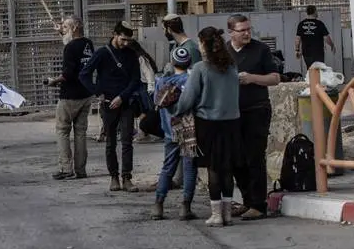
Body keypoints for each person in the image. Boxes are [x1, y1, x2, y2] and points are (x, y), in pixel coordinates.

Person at [175, 28, 243, 227]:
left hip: (208, 124)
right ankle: (228, 214)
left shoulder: (200, 68)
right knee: (227, 168)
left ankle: (216, 215)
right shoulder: (232, 66)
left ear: (203, 44)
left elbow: (188, 98)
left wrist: (177, 110)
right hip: (232, 123)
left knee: (213, 169)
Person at [226, 15, 280, 221]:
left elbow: (275, 78)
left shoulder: (261, 50)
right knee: (236, 159)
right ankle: (247, 200)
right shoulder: (224, 52)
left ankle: (258, 205)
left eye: (248, 29)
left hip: (256, 110)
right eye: (242, 30)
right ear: (231, 32)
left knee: (254, 157)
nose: (247, 33)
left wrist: (251, 78)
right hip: (231, 113)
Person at [79, 22, 142, 193]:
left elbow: (135, 80)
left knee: (127, 141)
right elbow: (84, 74)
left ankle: (127, 177)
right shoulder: (102, 53)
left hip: (126, 102)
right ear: (114, 34)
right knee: (110, 142)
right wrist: (97, 92)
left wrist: (122, 97)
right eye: (123, 39)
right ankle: (114, 177)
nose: (125, 43)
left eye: (128, 40)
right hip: (108, 104)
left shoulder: (131, 54)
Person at [151, 47, 198, 221]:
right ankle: (185, 206)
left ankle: (158, 205)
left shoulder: (161, 81)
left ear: (172, 62)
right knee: (189, 168)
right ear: (189, 62)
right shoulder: (191, 81)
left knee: (168, 167)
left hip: (169, 130)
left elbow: (155, 102)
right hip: (188, 129)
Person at [46, 16, 94, 180]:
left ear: (75, 28)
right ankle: (81, 169)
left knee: (62, 130)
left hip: (70, 96)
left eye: (66, 27)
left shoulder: (70, 48)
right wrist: (62, 32)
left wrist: (53, 81)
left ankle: (66, 168)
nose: (63, 29)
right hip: (85, 94)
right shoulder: (88, 44)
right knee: (80, 132)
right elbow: (73, 47)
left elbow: (67, 74)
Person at [294, 5, 335, 70]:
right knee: (319, 70)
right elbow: (326, 38)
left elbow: (297, 39)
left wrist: (297, 50)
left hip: (306, 53)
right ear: (315, 11)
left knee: (310, 69)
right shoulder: (319, 24)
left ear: (307, 12)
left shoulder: (301, 24)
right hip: (318, 52)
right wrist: (332, 45)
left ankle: (311, 76)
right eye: (316, 11)